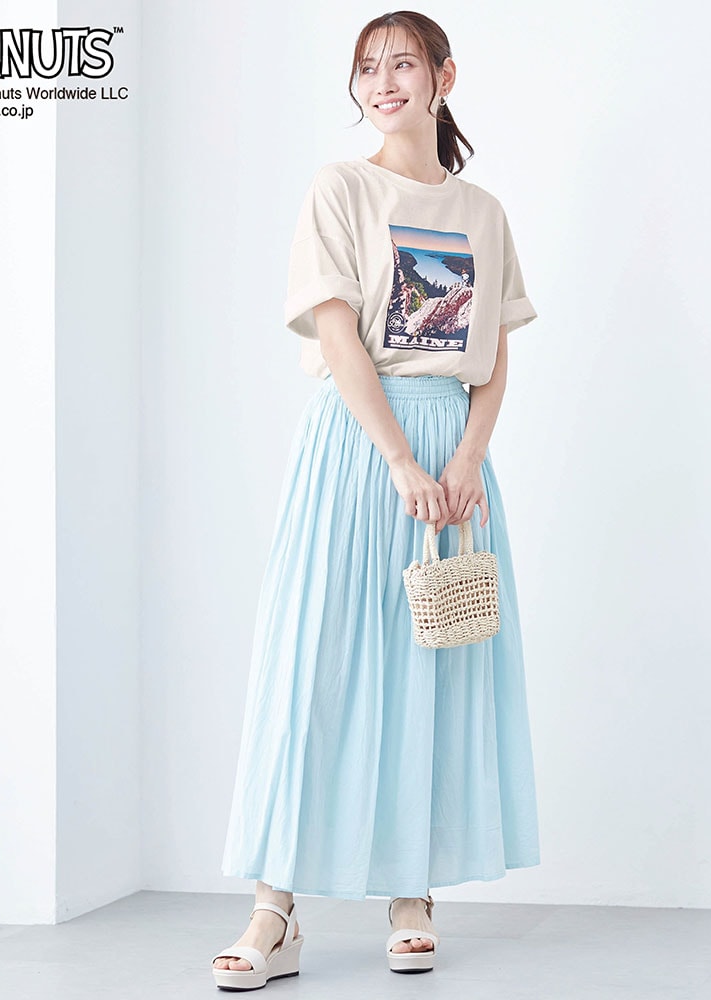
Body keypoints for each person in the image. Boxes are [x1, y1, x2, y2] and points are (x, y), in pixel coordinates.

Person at [211, 10, 540, 990]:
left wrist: (469, 456)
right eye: (366, 68)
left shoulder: (481, 212)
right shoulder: (340, 188)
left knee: (430, 665)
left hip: (453, 454)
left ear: (444, 76)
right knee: (312, 664)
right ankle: (274, 912)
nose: (382, 82)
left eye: (401, 63)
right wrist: (398, 457)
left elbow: (494, 352)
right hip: (360, 447)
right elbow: (335, 331)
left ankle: (411, 895)